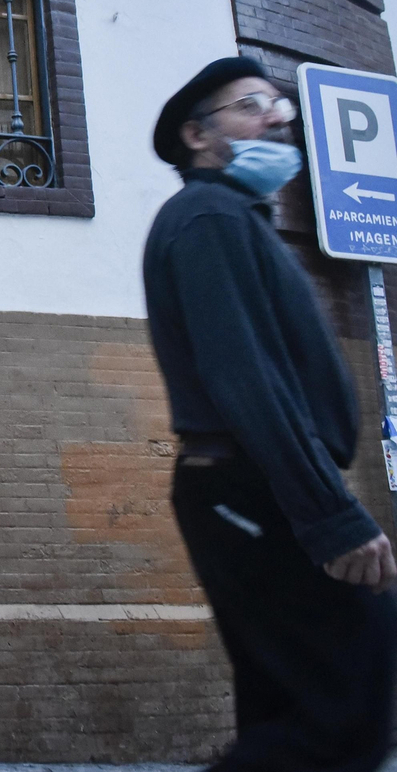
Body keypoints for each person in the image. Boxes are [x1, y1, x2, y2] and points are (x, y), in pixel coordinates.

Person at [144, 55, 397, 771]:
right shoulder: (210, 217)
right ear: (198, 134)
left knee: (292, 708)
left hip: (254, 486)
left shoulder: (236, 220)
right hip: (248, 488)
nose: (277, 119)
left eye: (278, 105)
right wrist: (330, 515)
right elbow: (247, 378)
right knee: (342, 709)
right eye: (251, 105)